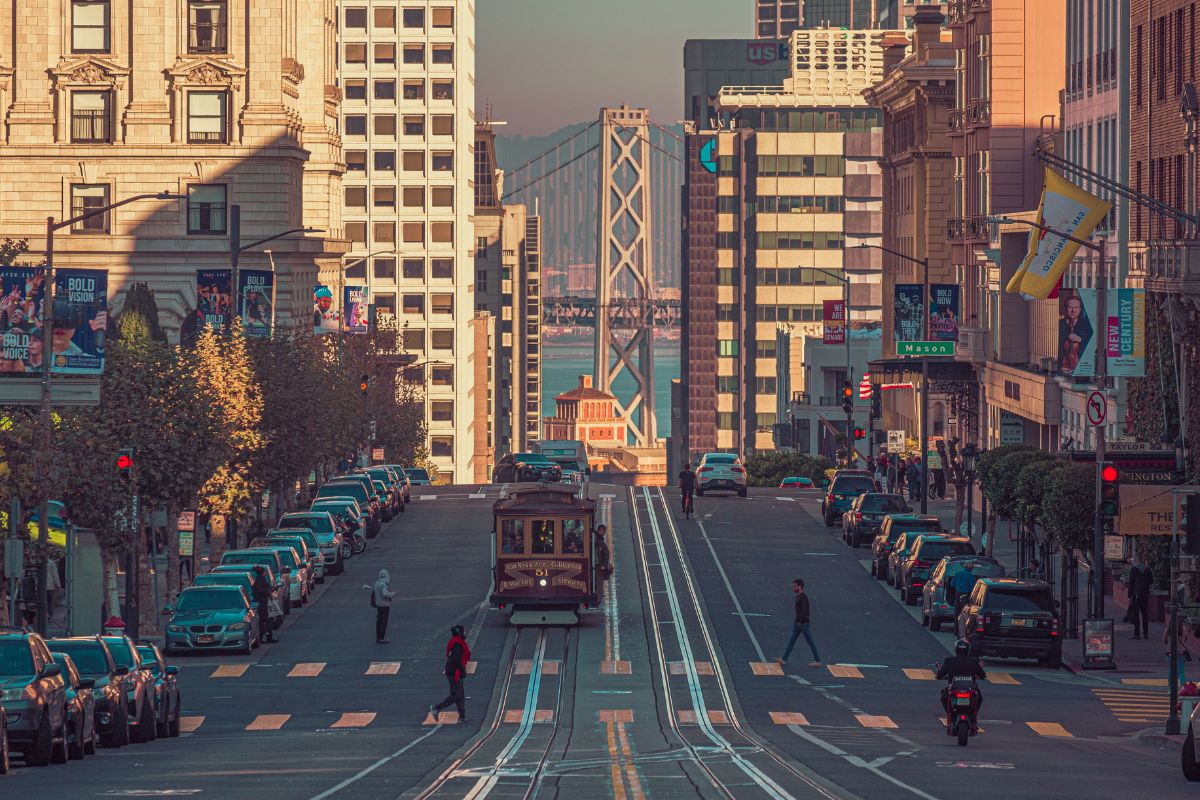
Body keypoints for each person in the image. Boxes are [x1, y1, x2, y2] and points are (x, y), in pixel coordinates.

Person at [936, 639, 987, 718]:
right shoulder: (973, 661)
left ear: (956, 650)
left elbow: (939, 675)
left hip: (954, 689)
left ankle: (950, 716)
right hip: (970, 689)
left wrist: (940, 673)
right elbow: (983, 676)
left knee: (944, 698)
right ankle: (973, 716)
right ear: (968, 650)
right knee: (979, 698)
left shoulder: (949, 661)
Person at [775, 579, 821, 668]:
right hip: (798, 624)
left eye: (795, 586)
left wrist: (800, 621)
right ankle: (784, 659)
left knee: (810, 642)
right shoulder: (799, 597)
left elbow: (804, 611)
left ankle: (817, 660)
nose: (793, 588)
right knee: (792, 641)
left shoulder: (803, 597)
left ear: (800, 587)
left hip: (803, 624)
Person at [431, 624, 471, 723]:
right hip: (455, 672)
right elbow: (458, 660)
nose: (465, 633)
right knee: (457, 695)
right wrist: (462, 671)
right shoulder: (458, 644)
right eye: (463, 631)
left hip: (453, 671)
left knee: (460, 695)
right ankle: (437, 708)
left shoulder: (455, 642)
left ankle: (462, 716)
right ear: (459, 633)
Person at [1127, 556, 1153, 639]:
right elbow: (1151, 580)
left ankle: (1136, 634)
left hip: (1136, 595)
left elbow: (1131, 583)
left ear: (1136, 561)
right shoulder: (1147, 569)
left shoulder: (1134, 570)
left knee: (1136, 615)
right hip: (1145, 594)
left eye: (1134, 561)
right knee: (1145, 615)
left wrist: (1130, 595)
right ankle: (1145, 634)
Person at [1165, 616, 1193, 687]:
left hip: (1170, 653)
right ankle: (1183, 687)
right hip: (1181, 653)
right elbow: (1185, 640)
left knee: (1171, 671)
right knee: (1181, 672)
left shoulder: (1167, 631)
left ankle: (1171, 689)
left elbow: (1165, 641)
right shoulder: (1183, 630)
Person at [369, 569, 395, 644]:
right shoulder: (384, 584)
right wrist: (392, 594)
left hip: (379, 605)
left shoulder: (377, 583)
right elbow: (385, 594)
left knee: (379, 621)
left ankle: (378, 637)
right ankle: (382, 638)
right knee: (384, 621)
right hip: (385, 605)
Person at [251, 566, 274, 643]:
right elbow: (262, 591)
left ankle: (261, 637)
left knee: (262, 621)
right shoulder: (261, 580)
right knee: (267, 620)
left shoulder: (257, 580)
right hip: (263, 603)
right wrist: (268, 592)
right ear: (263, 573)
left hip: (260, 602)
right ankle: (267, 637)